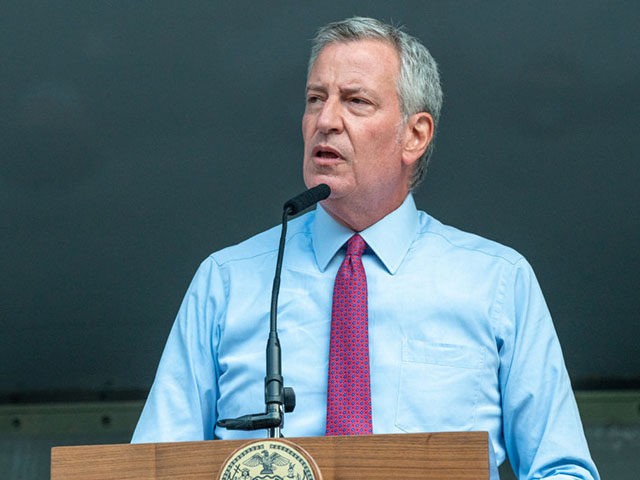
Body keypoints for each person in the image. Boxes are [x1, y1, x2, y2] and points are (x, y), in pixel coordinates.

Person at [132, 16, 599, 479]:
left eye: (355, 101)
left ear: (414, 135)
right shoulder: (227, 280)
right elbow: (149, 469)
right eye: (315, 99)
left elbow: (563, 469)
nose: (325, 120)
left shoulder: (497, 281)